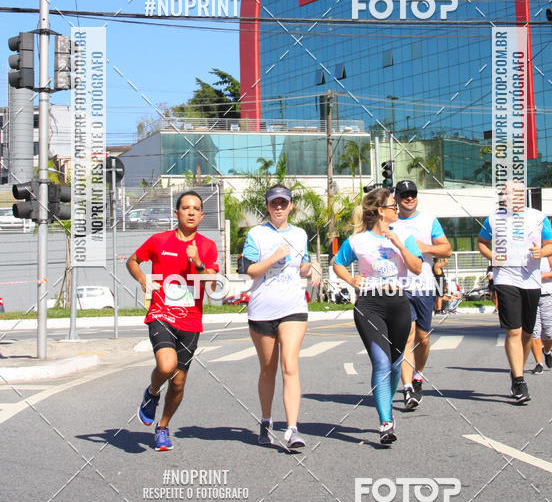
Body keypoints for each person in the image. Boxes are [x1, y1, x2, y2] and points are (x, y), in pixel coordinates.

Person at [126, 191, 219, 450]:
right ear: (176, 213)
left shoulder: (208, 246)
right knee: (166, 367)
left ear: (201, 215)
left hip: (190, 321)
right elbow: (133, 261)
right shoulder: (159, 240)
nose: (191, 212)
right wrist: (143, 279)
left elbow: (212, 286)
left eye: (196, 208)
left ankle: (163, 427)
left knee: (178, 383)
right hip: (161, 314)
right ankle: (152, 392)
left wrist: (197, 262)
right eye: (186, 208)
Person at [332, 188, 422, 444]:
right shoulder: (358, 240)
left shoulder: (405, 236)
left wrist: (399, 245)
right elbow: (337, 263)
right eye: (393, 206)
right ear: (381, 211)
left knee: (394, 364)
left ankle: (387, 409)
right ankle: (385, 421)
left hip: (399, 304)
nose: (397, 209)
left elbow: (417, 268)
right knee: (381, 363)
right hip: (369, 305)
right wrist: (351, 280)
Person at [239, 184, 320, 451]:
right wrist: (274, 257)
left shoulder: (299, 234)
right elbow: (250, 270)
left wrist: (312, 267)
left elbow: (301, 266)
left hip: (293, 307)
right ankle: (266, 419)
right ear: (267, 206)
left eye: (283, 203)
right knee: (268, 369)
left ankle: (292, 428)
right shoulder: (256, 234)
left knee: (290, 365)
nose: (278, 207)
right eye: (274, 203)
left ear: (291, 206)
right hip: (262, 309)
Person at [477, 181, 552, 404]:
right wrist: (492, 256)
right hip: (505, 279)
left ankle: (516, 370)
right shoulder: (494, 219)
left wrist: (542, 252)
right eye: (505, 193)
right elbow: (482, 242)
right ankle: (519, 381)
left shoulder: (538, 218)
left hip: (531, 280)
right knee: (513, 330)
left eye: (512, 193)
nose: (508, 197)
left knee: (527, 333)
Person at [392, 179, 452, 410]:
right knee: (407, 336)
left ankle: (418, 375)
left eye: (413, 194)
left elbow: (446, 249)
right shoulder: (390, 222)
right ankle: (407, 388)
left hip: (424, 286)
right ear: (396, 198)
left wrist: (423, 247)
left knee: (423, 338)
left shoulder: (429, 221)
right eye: (404, 194)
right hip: (399, 287)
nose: (409, 198)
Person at [530, 253, 552, 373]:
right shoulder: (523, 252)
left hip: (547, 295)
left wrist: (540, 276)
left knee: (548, 333)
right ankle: (539, 363)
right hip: (530, 294)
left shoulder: (548, 253)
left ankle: (546, 351)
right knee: (534, 331)